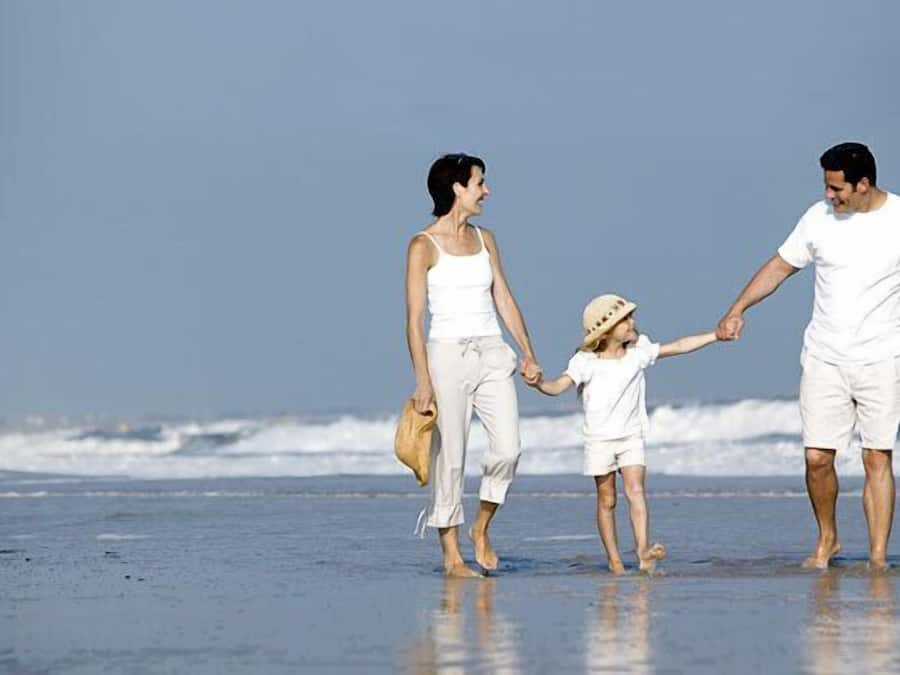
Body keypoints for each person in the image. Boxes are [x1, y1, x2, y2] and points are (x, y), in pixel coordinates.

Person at [717, 142, 899, 570]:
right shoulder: (817, 219)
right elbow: (779, 267)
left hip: (882, 356)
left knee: (877, 455)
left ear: (863, 184)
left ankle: (877, 557)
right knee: (817, 458)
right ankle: (828, 538)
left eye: (837, 188)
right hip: (823, 355)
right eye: (826, 186)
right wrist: (737, 309)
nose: (829, 196)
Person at [405, 153, 542, 578]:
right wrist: (422, 381)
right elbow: (414, 319)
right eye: (480, 183)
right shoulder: (422, 245)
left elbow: (503, 295)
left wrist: (528, 352)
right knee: (450, 457)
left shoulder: (486, 239)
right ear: (456, 189)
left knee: (508, 447)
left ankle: (480, 527)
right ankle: (451, 557)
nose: (487, 191)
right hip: (445, 355)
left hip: (491, 351)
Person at [528, 294, 719, 573]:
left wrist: (714, 335)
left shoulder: (638, 351)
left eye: (630, 317)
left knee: (636, 490)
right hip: (599, 439)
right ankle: (615, 560)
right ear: (605, 330)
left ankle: (643, 552)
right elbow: (557, 387)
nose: (632, 322)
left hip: (631, 435)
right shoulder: (585, 361)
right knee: (607, 499)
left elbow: (678, 346)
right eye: (624, 319)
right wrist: (538, 384)